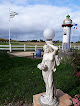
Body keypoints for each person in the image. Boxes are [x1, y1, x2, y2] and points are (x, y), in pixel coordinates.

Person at [37, 41, 60, 105]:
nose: (45, 50)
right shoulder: (44, 55)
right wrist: (40, 66)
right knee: (46, 83)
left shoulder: (52, 54)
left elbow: (56, 48)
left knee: (50, 83)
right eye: (44, 49)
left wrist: (49, 44)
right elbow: (42, 62)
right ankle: (48, 95)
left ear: (49, 48)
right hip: (44, 71)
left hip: (50, 71)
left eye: (46, 48)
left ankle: (51, 97)